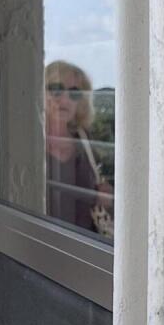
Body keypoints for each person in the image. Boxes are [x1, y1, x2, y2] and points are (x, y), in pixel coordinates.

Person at [44, 61, 112, 237]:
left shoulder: (84, 142)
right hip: (40, 245)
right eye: (56, 89)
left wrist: (104, 196)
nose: (65, 99)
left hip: (82, 248)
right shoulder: (30, 143)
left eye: (74, 93)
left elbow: (96, 191)